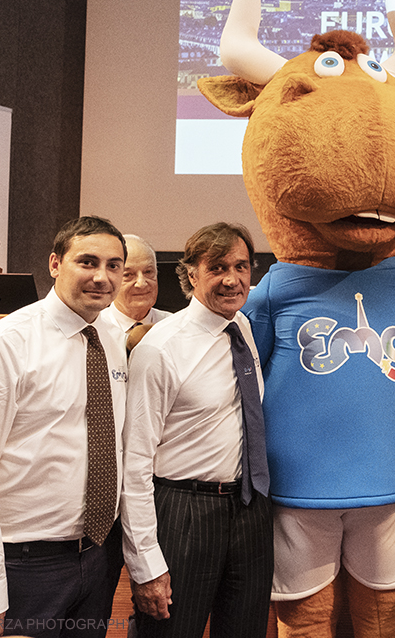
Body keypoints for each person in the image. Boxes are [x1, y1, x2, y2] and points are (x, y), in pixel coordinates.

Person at [0, 216, 128, 638]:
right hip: (24, 567)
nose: (102, 277)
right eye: (88, 262)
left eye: (114, 265)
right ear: (54, 264)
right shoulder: (1, 346)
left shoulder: (111, 337)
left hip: (97, 556)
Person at [121, 222, 273, 637]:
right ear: (191, 274)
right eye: (218, 267)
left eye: (242, 266)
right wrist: (145, 562)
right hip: (185, 511)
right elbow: (133, 463)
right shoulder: (159, 348)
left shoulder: (241, 328)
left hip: (250, 507)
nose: (232, 279)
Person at [99, 234, 172, 337]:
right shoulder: (95, 328)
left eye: (148, 272)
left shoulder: (175, 327)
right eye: (128, 275)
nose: (141, 283)